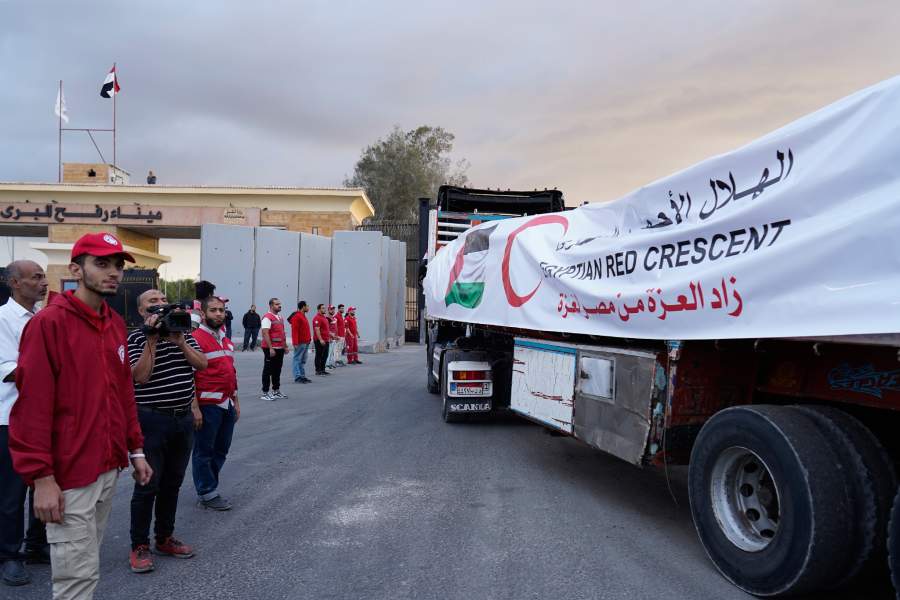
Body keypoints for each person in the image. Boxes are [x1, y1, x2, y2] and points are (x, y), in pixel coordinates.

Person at [9, 232, 152, 600]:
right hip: (69, 475)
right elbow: (32, 406)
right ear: (76, 269)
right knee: (76, 580)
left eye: (118, 266)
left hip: (107, 467)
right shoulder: (48, 324)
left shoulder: (114, 323)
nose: (113, 273)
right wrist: (41, 477)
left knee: (87, 568)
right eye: (101, 264)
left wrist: (135, 450)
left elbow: (123, 393)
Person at [126, 290, 208, 573]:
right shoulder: (136, 337)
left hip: (182, 420)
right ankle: (139, 545)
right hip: (151, 420)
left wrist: (181, 342)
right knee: (148, 484)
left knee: (172, 483)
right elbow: (140, 377)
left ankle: (164, 537)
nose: (160, 306)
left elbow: (202, 364)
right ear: (141, 311)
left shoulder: (183, 330)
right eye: (152, 302)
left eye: (163, 301)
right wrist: (151, 339)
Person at [0, 261, 49, 587]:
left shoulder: (42, 319)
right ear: (15, 283)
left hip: (43, 419)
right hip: (11, 418)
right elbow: (10, 369)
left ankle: (36, 545)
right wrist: (57, 370)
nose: (44, 282)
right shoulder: (3, 319)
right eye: (36, 277)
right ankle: (9, 556)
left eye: (44, 276)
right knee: (11, 494)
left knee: (44, 485)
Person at [191, 296, 239, 511]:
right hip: (207, 405)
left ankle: (210, 486)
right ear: (203, 313)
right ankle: (207, 491)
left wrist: (235, 402)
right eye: (213, 310)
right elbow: (189, 376)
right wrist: (194, 408)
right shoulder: (195, 339)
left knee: (221, 449)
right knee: (204, 451)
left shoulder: (226, 339)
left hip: (226, 403)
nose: (218, 314)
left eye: (221, 310)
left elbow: (232, 372)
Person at [260, 298, 287, 400]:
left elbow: (282, 333)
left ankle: (276, 391)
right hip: (270, 348)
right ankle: (265, 392)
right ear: (271, 306)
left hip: (279, 348)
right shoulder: (267, 318)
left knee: (277, 370)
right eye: (277, 304)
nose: (279, 306)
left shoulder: (280, 318)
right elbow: (265, 333)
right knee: (268, 370)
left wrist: (285, 346)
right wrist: (271, 348)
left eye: (280, 304)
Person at [288, 301, 311, 383]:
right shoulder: (297, 316)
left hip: (306, 342)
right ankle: (297, 377)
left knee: (302, 360)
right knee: (297, 359)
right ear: (303, 307)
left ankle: (302, 376)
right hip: (300, 342)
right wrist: (295, 343)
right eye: (307, 306)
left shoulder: (303, 316)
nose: (308, 308)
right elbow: (294, 330)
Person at [312, 304, 330, 376]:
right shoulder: (317, 318)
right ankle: (318, 370)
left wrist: (331, 335)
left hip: (326, 340)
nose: (324, 309)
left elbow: (326, 329)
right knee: (319, 355)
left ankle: (323, 369)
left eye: (324, 308)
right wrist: (320, 339)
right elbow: (317, 329)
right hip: (319, 340)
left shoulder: (324, 318)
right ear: (318, 309)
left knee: (325, 355)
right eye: (323, 308)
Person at [325, 305, 338, 369]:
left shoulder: (334, 318)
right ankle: (326, 364)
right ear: (328, 310)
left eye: (333, 309)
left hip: (334, 337)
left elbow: (335, 328)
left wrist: (336, 336)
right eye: (331, 309)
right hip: (330, 337)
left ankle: (329, 363)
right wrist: (329, 337)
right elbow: (327, 329)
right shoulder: (327, 318)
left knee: (332, 352)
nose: (333, 311)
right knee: (328, 352)